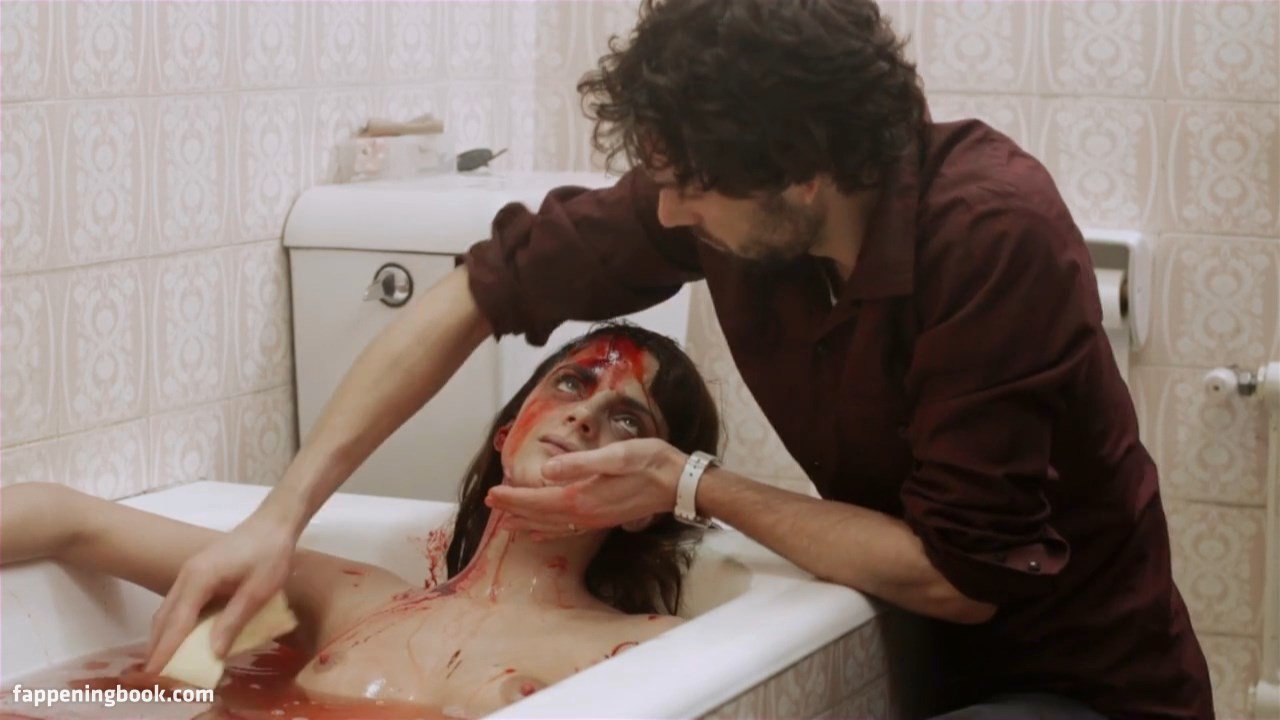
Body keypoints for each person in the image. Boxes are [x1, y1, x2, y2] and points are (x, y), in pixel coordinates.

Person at [149, 0, 1214, 718]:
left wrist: (687, 481)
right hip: (912, 659)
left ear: (800, 171)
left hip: (1082, 682)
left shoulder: (989, 236)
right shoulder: (358, 591)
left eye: (690, 187)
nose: (666, 214)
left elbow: (961, 575)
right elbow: (475, 292)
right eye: (571, 381)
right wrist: (279, 518)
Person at [2, 325, 718, 719]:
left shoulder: (643, 649)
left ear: (648, 502)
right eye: (571, 383)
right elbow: (68, 521)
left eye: (628, 420)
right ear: (507, 431)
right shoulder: (351, 597)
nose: (584, 415)